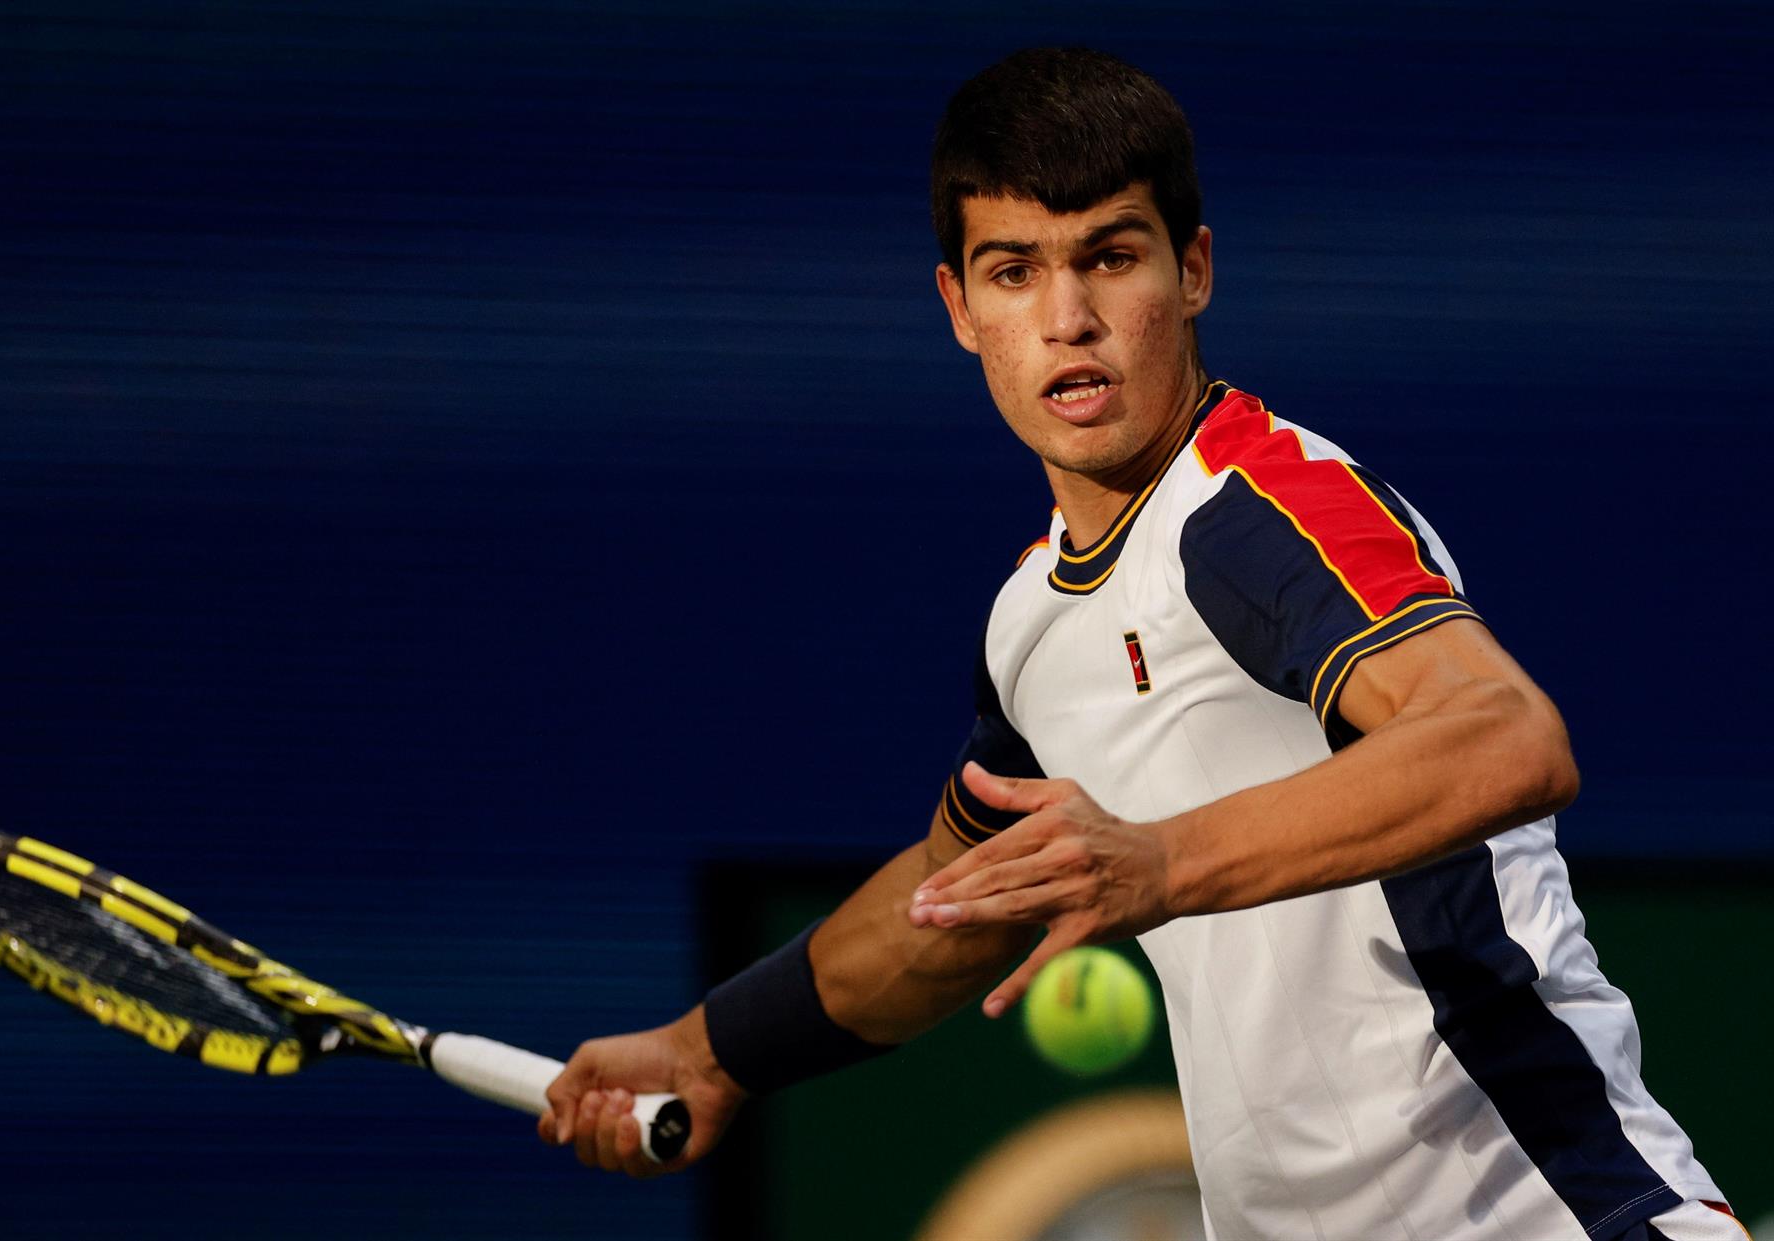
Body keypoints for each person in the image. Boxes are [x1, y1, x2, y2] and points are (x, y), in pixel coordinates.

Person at [538, 47, 1733, 1240]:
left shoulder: (1259, 509)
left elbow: (1504, 737)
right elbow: (958, 900)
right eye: (1015, 271)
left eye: (1111, 257)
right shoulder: (1029, 622)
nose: (1069, 321)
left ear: (1193, 270)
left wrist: (1161, 862)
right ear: (959, 307)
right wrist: (708, 1052)